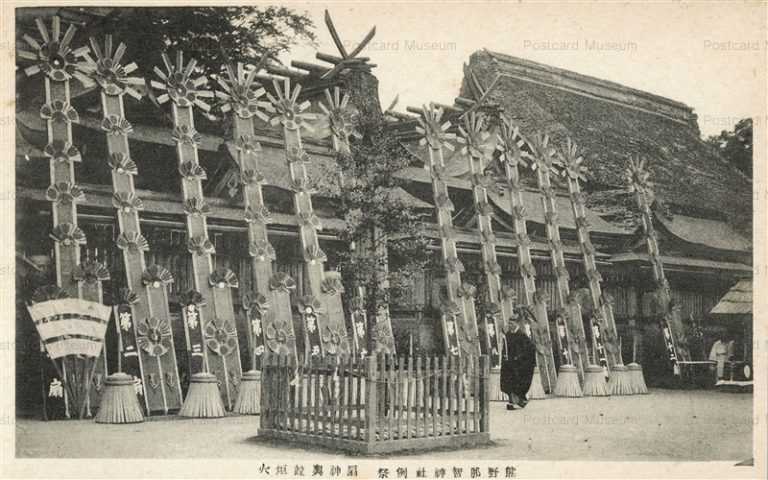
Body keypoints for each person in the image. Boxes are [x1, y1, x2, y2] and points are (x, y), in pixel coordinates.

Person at [500, 319, 536, 410]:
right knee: (508, 382)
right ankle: (514, 401)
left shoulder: (522, 335)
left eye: (511, 323)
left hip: (519, 364)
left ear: (516, 324)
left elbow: (530, 349)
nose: (509, 325)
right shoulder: (508, 335)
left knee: (517, 382)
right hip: (509, 363)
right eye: (509, 323)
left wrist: (519, 357)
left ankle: (517, 401)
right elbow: (505, 348)